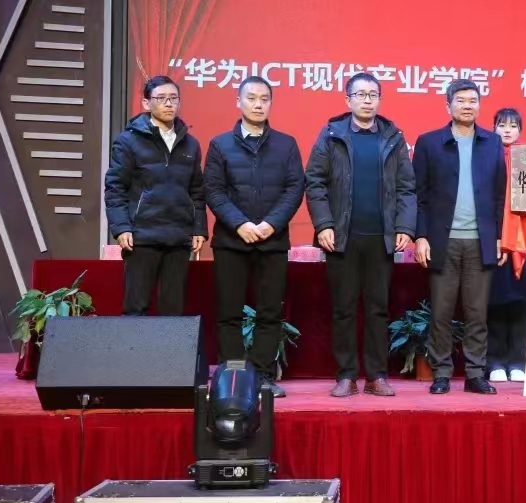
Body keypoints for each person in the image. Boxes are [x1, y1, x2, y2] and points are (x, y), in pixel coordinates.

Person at [305, 72, 416, 397]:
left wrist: (404, 227)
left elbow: (407, 187)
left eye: (372, 95)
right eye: (360, 94)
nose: (367, 100)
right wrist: (324, 224)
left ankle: (377, 375)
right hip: (341, 237)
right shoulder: (331, 135)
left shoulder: (393, 137)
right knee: (343, 308)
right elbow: (314, 182)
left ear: (379, 99)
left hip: (381, 238)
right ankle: (346, 375)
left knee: (378, 309)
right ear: (348, 99)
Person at [204, 76, 304, 397]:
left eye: (264, 99)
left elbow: (294, 188)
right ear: (239, 102)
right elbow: (214, 191)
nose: (258, 104)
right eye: (251, 98)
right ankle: (234, 378)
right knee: (229, 312)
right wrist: (240, 224)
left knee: (269, 313)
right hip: (232, 241)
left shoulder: (286, 144)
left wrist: (271, 224)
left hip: (272, 241)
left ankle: (262, 376)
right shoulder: (220, 144)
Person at [413, 79, 507, 395]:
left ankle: (475, 374)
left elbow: (499, 195)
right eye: (461, 100)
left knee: (477, 312)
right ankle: (441, 372)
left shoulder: (493, 143)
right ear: (448, 105)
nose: (468, 106)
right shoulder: (429, 143)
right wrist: (421, 236)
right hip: (443, 241)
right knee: (441, 312)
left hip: (481, 240)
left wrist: (499, 236)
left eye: (473, 101)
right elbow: (419, 195)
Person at [104, 75, 206, 316]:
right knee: (136, 309)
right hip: (141, 236)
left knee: (173, 311)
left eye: (174, 98)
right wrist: (121, 227)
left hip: (179, 237)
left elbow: (197, 191)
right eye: (161, 98)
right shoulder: (128, 141)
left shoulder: (190, 144)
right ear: (146, 103)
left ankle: (171, 345)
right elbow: (115, 187)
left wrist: (199, 229)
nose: (169, 104)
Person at [487, 108, 526, 382]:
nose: (507, 130)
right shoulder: (486, 156)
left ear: (520, 131)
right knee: (494, 301)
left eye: (513, 126)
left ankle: (518, 363)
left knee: (523, 300)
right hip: (493, 236)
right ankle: (495, 362)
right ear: (493, 128)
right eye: (502, 125)